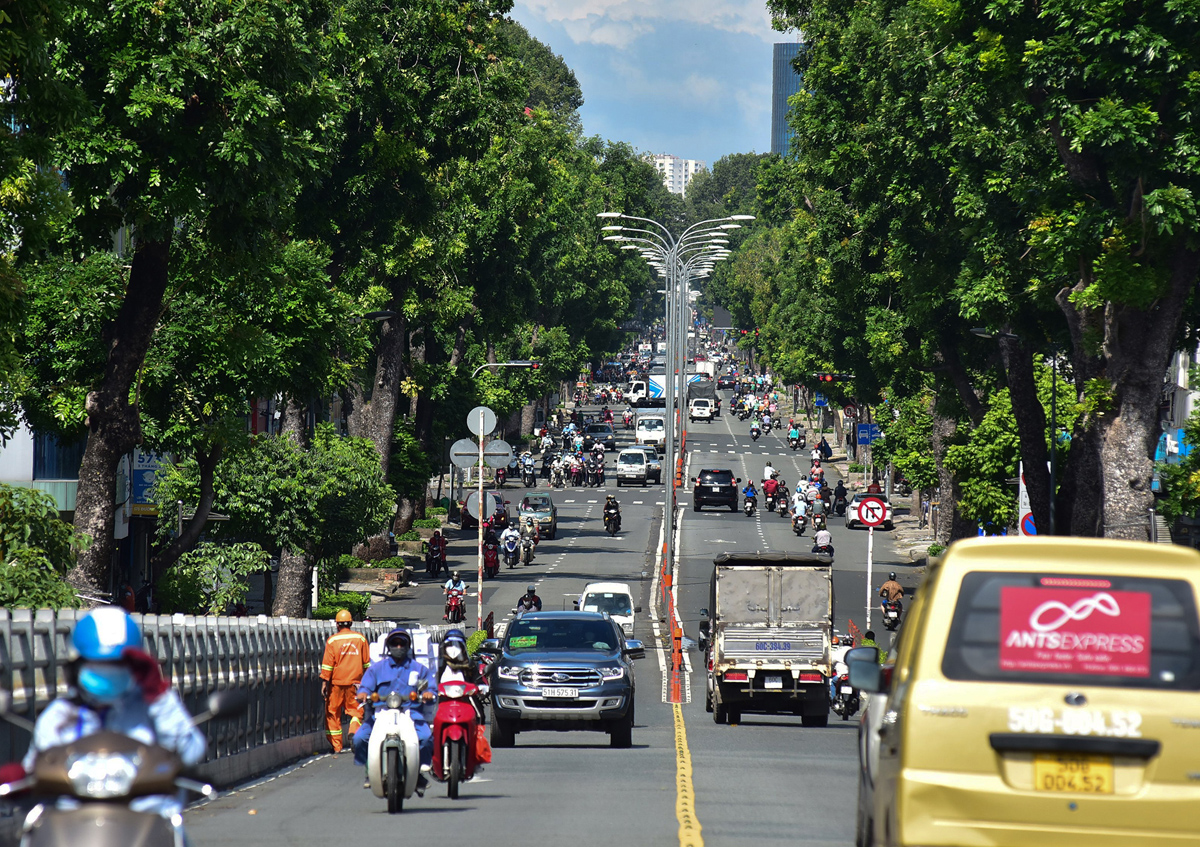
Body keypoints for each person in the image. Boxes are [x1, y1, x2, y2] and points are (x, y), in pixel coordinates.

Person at [18, 607, 206, 818]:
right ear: (76, 666)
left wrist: (158, 695)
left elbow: (191, 753)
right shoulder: (58, 717)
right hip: (74, 826)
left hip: (151, 823)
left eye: (117, 664)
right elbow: (34, 773)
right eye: (98, 664)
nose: (108, 670)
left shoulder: (154, 709)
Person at [354, 629, 435, 794]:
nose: (398, 647)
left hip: (410, 713)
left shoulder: (418, 669)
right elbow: (365, 686)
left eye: (402, 643)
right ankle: (370, 770)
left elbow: (431, 686)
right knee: (359, 738)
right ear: (388, 647)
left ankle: (418, 771)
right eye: (394, 643)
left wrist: (428, 693)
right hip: (381, 713)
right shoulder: (376, 669)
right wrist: (363, 694)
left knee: (426, 737)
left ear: (408, 646)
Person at [320, 609, 371, 753]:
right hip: (356, 683)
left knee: (332, 713)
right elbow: (366, 664)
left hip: (336, 683)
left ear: (337, 625)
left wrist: (324, 682)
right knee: (356, 712)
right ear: (351, 623)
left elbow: (328, 665)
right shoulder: (360, 639)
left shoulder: (332, 640)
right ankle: (354, 730)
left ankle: (337, 747)